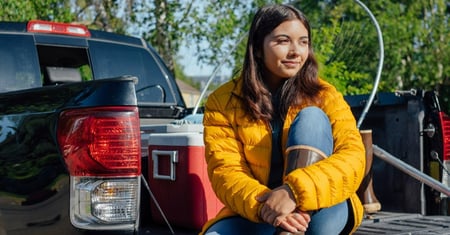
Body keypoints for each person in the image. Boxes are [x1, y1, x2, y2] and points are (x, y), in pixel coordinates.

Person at [201, 4, 366, 235]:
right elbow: (226, 172)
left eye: (303, 42)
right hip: (259, 210)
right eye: (283, 41)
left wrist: (293, 193)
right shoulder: (223, 102)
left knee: (312, 118)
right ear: (258, 48)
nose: (296, 51)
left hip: (323, 207)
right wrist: (270, 205)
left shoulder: (325, 96)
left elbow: (353, 158)